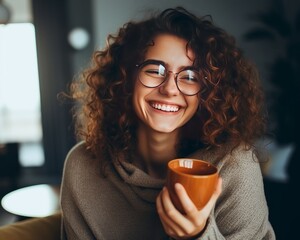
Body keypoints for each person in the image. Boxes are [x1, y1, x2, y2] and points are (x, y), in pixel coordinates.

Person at [60, 7, 275, 240]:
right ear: (125, 79)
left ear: (208, 92)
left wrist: (198, 235)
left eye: (190, 76)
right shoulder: (82, 166)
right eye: (155, 70)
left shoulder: (234, 165)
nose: (170, 89)